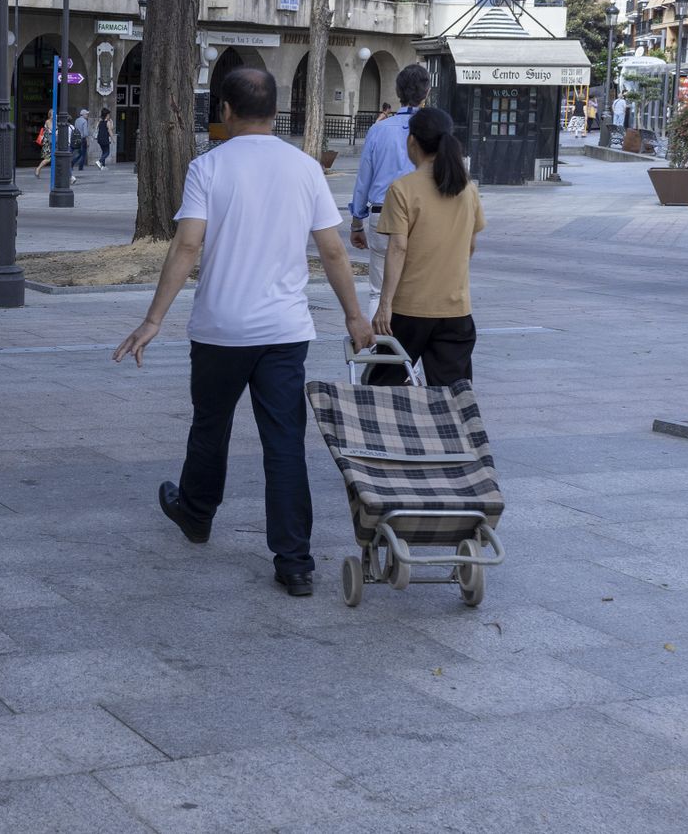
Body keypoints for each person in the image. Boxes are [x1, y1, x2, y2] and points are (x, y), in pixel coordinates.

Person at [114, 68, 375, 599]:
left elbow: (187, 247)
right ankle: (295, 562)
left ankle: (196, 513)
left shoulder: (207, 167)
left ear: (226, 112)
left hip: (220, 329)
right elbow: (331, 251)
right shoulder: (305, 169)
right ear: (276, 112)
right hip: (284, 331)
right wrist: (353, 316)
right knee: (284, 442)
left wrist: (153, 320)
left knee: (211, 425)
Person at [370, 107, 485, 387]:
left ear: (412, 142)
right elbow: (470, 245)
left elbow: (398, 248)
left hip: (410, 308)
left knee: (385, 389)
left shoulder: (402, 189)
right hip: (456, 310)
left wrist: (384, 304)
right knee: (453, 394)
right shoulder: (467, 189)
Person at [349, 63, 430, 311]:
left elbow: (364, 179)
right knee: (418, 288)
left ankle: (381, 345)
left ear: (397, 92)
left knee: (378, 291)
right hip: (422, 216)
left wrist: (356, 222)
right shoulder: (433, 128)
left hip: (382, 214)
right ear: (426, 92)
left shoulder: (378, 130)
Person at [72, 108, 91, 173]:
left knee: (79, 153)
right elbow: (85, 133)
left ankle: (72, 163)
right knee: (83, 154)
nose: (87, 115)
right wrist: (87, 141)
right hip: (83, 139)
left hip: (77, 138)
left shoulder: (76, 120)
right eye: (86, 114)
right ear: (83, 114)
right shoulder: (84, 121)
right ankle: (80, 167)